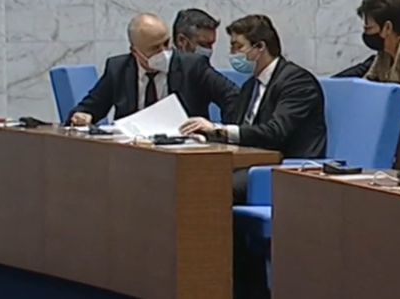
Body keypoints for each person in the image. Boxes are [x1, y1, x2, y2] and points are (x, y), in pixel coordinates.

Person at [179, 14, 327, 200]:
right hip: (254, 163)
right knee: (187, 176)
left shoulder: (297, 82)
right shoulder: (251, 86)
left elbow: (275, 132)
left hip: (287, 169)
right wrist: (204, 136)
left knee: (212, 185)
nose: (233, 54)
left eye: (238, 47)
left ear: (260, 47)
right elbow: (237, 127)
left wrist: (218, 129)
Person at [68, 13, 239, 126]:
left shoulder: (192, 66)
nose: (164, 52)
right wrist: (83, 116)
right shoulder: (118, 69)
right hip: (133, 152)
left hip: (182, 151)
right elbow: (88, 108)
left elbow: (234, 97)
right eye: (155, 48)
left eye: (166, 43)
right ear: (135, 51)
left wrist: (217, 130)